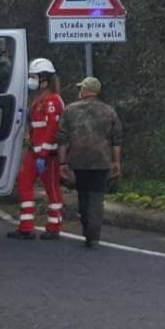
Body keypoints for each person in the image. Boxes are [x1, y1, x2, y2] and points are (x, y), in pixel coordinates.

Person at [57, 77, 122, 250]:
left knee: (83, 195)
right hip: (102, 160)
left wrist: (62, 163)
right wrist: (116, 162)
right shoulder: (109, 111)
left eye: (81, 88)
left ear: (85, 90)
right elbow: (116, 140)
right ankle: (94, 236)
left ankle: (87, 228)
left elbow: (62, 138)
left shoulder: (70, 110)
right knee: (96, 197)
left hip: (79, 160)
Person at [8, 58, 65, 241]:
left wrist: (42, 154)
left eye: (33, 77)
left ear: (44, 79)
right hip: (36, 152)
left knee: (52, 189)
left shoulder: (52, 101)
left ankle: (53, 226)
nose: (31, 80)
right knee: (24, 185)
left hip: (47, 154)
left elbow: (50, 130)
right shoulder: (39, 100)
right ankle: (26, 227)